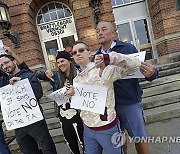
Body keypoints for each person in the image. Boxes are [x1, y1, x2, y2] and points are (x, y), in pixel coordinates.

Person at [95, 20, 159, 154]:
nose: (100, 33)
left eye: (104, 29)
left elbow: (145, 70)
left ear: (113, 33)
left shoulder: (128, 49)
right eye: (97, 31)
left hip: (129, 103)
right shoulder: (95, 57)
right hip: (109, 106)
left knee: (139, 138)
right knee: (118, 141)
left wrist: (152, 74)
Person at [67, 40, 141, 154]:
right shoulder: (77, 79)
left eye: (81, 50)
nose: (77, 54)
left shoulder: (104, 69)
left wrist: (109, 57)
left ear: (89, 53)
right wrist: (72, 96)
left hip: (107, 128)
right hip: (88, 129)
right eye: (74, 53)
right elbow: (81, 105)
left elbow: (135, 64)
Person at [0, 54, 57, 154]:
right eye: (1, 65)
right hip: (19, 125)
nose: (5, 66)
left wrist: (21, 84)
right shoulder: (4, 82)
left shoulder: (29, 76)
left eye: (6, 62)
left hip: (35, 122)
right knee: (28, 151)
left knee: (47, 148)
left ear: (14, 62)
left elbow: (38, 93)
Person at [45, 51, 85, 154]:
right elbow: (38, 74)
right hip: (63, 115)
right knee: (71, 144)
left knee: (83, 143)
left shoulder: (79, 73)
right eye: (58, 62)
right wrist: (46, 72)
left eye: (62, 61)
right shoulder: (57, 77)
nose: (60, 64)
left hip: (78, 114)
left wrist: (76, 90)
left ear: (70, 61)